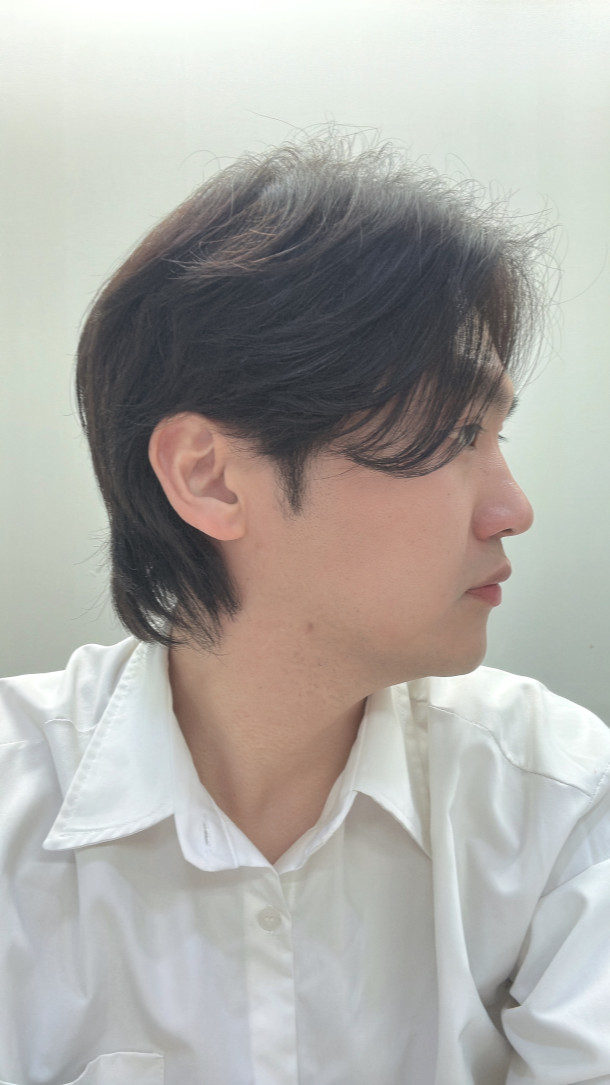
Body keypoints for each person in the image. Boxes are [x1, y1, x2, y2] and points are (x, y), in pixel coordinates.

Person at [1, 135, 609, 1085]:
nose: (513, 509)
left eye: (498, 435)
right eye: (457, 433)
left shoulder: (557, 796)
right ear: (211, 477)